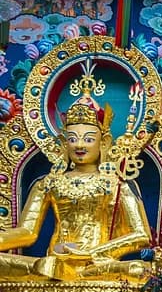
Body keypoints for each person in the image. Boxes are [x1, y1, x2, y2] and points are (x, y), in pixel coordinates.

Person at [0, 86, 151, 281]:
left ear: (103, 143)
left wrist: (93, 253)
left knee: (139, 270)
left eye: (88, 139)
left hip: (96, 268)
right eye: (73, 139)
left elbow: (141, 235)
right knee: (44, 266)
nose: (79, 145)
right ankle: (47, 269)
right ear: (64, 143)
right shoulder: (48, 183)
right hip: (54, 265)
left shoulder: (116, 183)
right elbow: (27, 232)